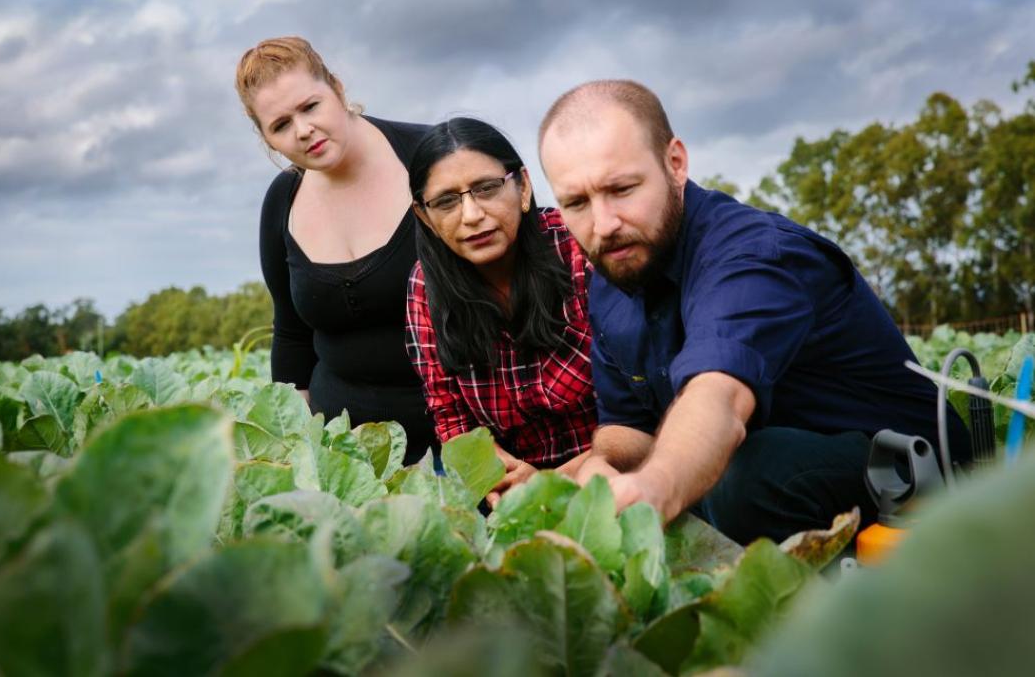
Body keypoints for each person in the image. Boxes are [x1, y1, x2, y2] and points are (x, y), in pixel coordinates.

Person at [537, 79, 971, 544]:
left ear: (675, 163)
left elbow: (719, 400)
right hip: (779, 463)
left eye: (622, 189)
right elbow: (627, 424)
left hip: (907, 464)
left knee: (739, 477)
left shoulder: (750, 255)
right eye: (577, 203)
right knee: (713, 472)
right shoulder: (614, 277)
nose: (603, 225)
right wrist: (594, 468)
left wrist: (655, 488)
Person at [236, 36, 437, 464]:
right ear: (268, 140)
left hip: (460, 437)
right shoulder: (282, 202)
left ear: (338, 90)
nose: (303, 130)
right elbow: (290, 333)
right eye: (281, 125)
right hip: (345, 453)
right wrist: (297, 448)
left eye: (310, 106)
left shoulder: (429, 158)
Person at [404, 118, 596, 505]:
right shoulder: (426, 287)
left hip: (615, 469)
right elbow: (450, 415)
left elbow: (648, 405)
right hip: (509, 495)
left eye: (487, 189)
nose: (471, 214)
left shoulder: (580, 251)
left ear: (523, 187)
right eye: (446, 201)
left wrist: (552, 482)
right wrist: (496, 475)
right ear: (426, 217)